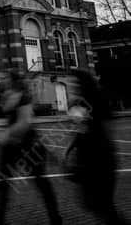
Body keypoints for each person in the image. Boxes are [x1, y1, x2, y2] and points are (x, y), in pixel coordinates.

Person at [0, 69, 62, 225]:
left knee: (41, 183)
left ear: (14, 81)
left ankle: (55, 218)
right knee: (3, 183)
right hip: (11, 145)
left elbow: (25, 122)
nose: (4, 81)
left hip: (28, 145)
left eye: (7, 79)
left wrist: (8, 132)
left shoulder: (24, 97)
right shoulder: (9, 95)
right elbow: (7, 111)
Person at [64, 70, 127, 224]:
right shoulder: (78, 104)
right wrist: (68, 151)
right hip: (87, 159)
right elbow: (79, 131)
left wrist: (101, 156)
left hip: (100, 160)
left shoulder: (97, 100)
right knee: (94, 204)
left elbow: (106, 131)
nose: (72, 87)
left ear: (83, 83)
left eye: (74, 83)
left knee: (101, 205)